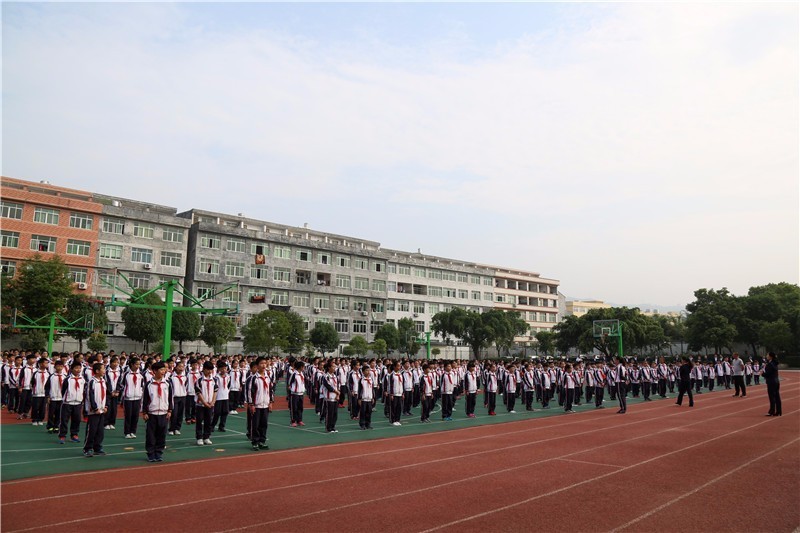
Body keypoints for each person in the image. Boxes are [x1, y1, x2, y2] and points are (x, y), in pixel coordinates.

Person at [142, 361, 173, 462]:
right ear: (155, 371)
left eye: (164, 369)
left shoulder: (167, 383)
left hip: (164, 413)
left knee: (161, 434)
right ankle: (151, 454)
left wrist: (170, 410)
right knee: (151, 435)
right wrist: (145, 412)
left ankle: (159, 453)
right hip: (152, 413)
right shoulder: (149, 385)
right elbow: (145, 399)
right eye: (161, 369)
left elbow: (170, 398)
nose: (163, 371)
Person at [83, 363, 107, 457]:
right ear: (97, 371)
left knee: (100, 430)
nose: (104, 370)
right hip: (93, 411)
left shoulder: (103, 381)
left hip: (102, 410)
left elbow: (106, 394)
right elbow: (90, 396)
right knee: (91, 430)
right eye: (103, 369)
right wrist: (95, 407)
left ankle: (98, 447)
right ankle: (87, 448)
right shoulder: (92, 382)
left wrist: (106, 406)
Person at [59, 362, 85, 444]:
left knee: (76, 419)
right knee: (64, 420)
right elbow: (63, 390)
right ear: (71, 369)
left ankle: (74, 435)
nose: (78, 370)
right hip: (67, 403)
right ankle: (62, 435)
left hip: (78, 403)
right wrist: (66, 398)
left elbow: (83, 390)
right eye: (76, 368)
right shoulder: (68, 379)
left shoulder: (82, 379)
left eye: (79, 368)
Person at [194, 362, 217, 446]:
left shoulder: (214, 380)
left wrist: (213, 402)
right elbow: (198, 393)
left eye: (211, 370)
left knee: (208, 421)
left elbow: (215, 391)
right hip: (200, 405)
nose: (209, 371)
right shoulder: (199, 380)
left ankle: (206, 437)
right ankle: (199, 437)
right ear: (203, 369)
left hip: (210, 404)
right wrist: (205, 403)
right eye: (208, 369)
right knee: (199, 421)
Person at [763, 352, 781, 417]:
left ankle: (772, 411)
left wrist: (762, 374)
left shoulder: (770, 364)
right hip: (776, 381)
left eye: (767, 355)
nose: (766, 356)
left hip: (771, 382)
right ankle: (778, 411)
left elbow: (768, 374)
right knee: (777, 397)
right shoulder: (775, 363)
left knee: (772, 397)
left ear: (771, 356)